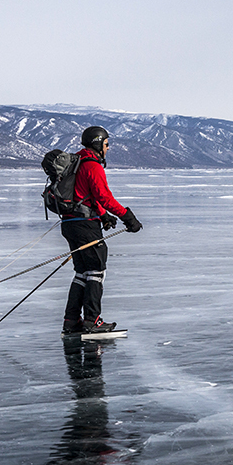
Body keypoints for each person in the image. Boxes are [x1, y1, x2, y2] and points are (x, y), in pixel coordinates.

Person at [60, 126, 142, 335]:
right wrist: (128, 217)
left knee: (82, 272)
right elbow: (104, 196)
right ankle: (92, 321)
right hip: (85, 226)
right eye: (106, 144)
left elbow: (86, 194)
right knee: (96, 271)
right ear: (98, 144)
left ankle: (72, 321)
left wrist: (103, 215)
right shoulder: (92, 165)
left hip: (71, 224)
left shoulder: (77, 162)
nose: (108, 148)